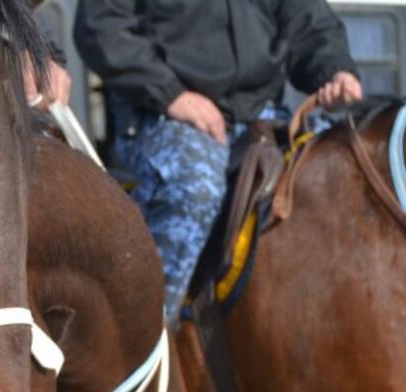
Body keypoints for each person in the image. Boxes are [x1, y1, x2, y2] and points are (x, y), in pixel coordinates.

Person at [74, 0, 363, 322]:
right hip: (161, 113)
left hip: (259, 115)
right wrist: (172, 95)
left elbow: (309, 22)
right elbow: (101, 27)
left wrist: (335, 71)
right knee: (195, 190)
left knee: (341, 176)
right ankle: (138, 340)